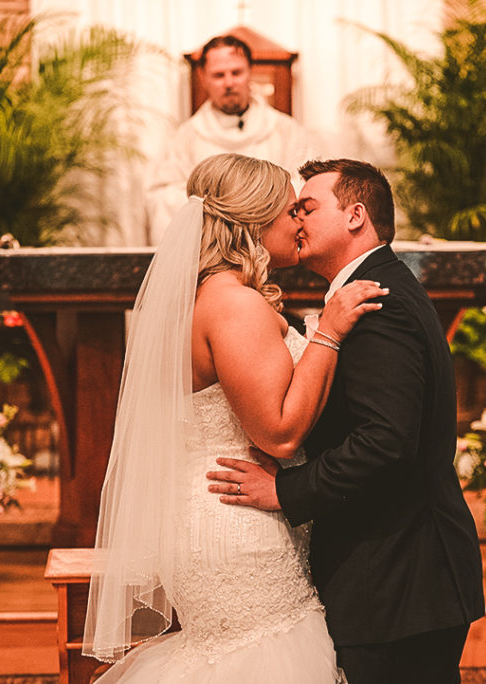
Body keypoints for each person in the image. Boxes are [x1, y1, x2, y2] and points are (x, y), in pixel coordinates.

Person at [82, 152, 385, 683]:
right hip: (238, 520)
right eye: (290, 211)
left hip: (219, 509)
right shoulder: (234, 304)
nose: (299, 223)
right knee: (265, 654)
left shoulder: (205, 297)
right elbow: (279, 432)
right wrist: (329, 332)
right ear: (254, 222)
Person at [207, 159, 485, 684]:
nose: (296, 221)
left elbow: (384, 443)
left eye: (307, 207)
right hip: (390, 577)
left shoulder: (380, 303)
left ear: (356, 215)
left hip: (400, 579)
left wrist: (284, 492)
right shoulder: (365, 291)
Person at [145, 34, 314, 244]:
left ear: (250, 73)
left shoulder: (286, 131)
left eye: (236, 72)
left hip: (272, 248)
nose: (229, 82)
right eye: (218, 75)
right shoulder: (185, 138)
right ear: (203, 78)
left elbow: (304, 188)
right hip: (211, 250)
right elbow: (165, 198)